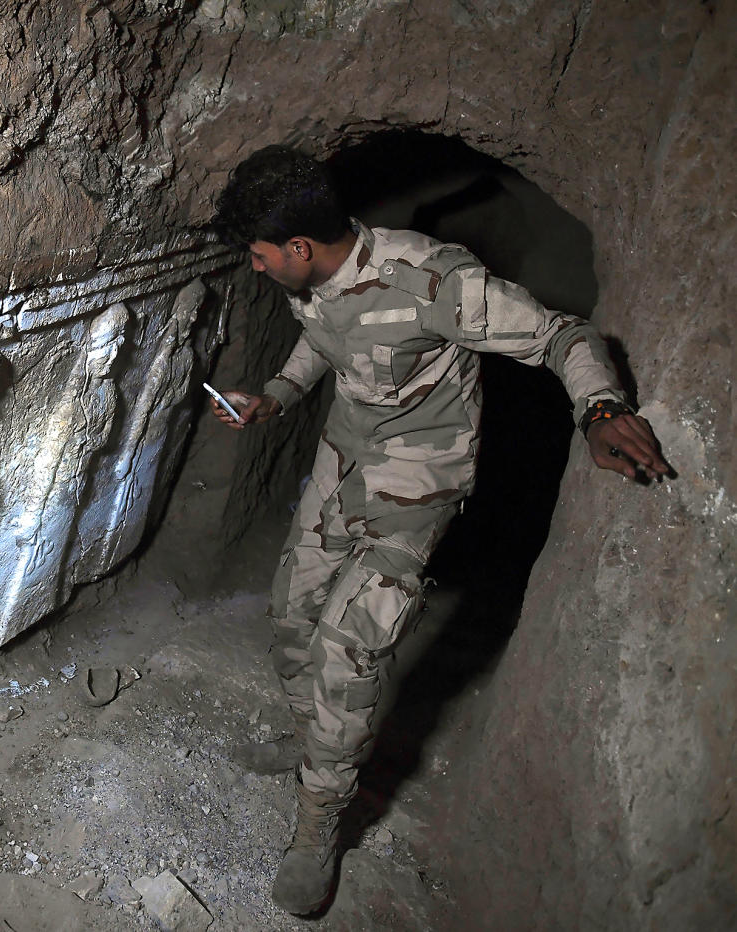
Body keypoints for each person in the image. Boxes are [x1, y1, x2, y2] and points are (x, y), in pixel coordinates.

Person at [207, 145, 669, 915]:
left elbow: (563, 336)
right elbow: (319, 340)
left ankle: (319, 825)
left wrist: (600, 408)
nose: (257, 271)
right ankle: (314, 747)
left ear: (298, 247)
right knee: (291, 621)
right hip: (340, 470)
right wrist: (278, 397)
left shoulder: (433, 281)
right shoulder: (311, 275)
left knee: (349, 654)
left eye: (259, 258)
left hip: (417, 490)